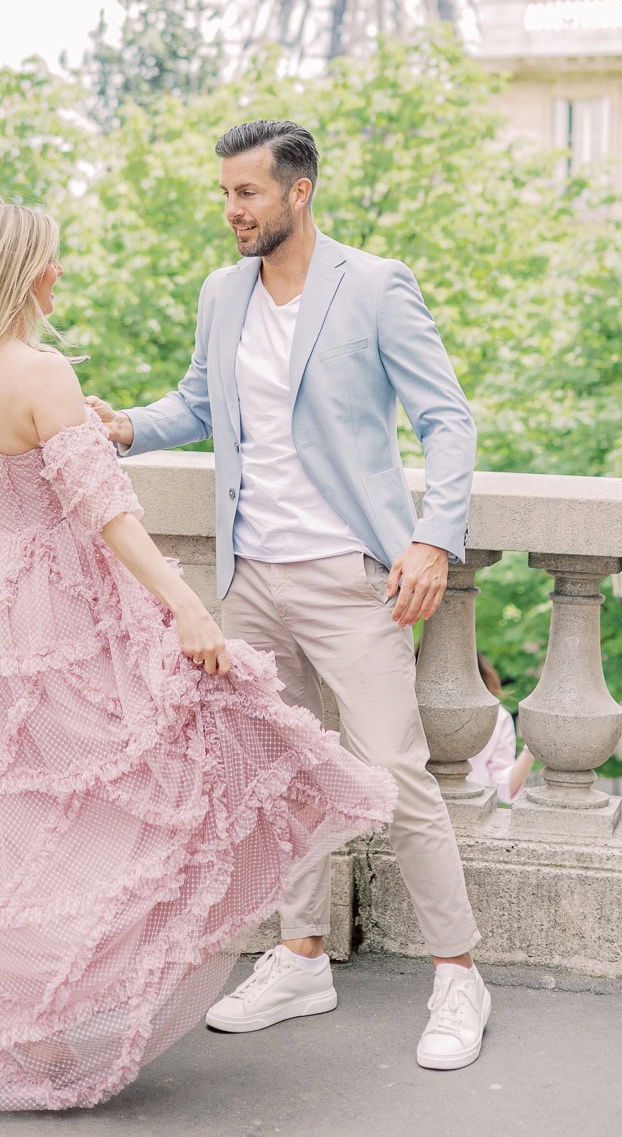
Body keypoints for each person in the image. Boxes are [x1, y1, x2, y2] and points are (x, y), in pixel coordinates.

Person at [0, 200, 395, 1113]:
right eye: (50, 260)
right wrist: (187, 607)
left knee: (8, 819)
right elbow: (101, 508)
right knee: (117, 796)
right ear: (22, 272)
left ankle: (22, 1021)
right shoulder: (42, 372)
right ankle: (61, 1007)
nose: (58, 274)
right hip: (57, 607)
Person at [94, 119, 490, 1072]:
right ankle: (302, 957)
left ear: (298, 192)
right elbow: (199, 402)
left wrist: (433, 535)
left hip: (351, 578)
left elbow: (447, 419)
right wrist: (126, 427)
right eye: (225, 193)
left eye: (248, 193)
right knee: (278, 780)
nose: (232, 210)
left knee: (395, 774)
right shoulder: (221, 292)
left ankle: (459, 975)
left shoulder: (375, 285)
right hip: (251, 580)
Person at [468, 655, 535, 804]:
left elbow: (503, 786)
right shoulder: (415, 709)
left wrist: (532, 746)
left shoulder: (497, 717)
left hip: (475, 804)